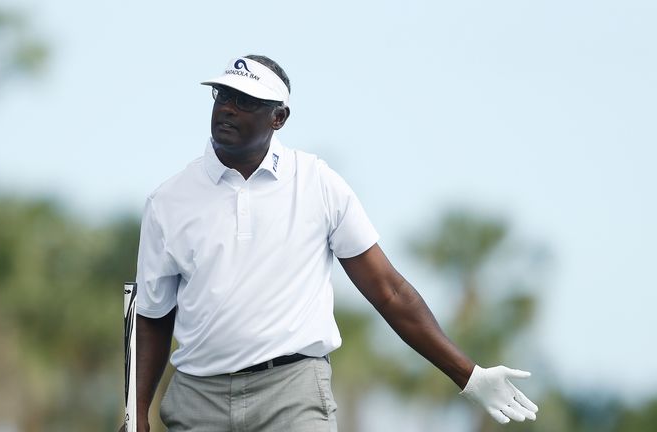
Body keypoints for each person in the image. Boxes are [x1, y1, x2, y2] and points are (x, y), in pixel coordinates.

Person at [134, 54, 538, 432]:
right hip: (198, 399)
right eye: (223, 95)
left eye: (246, 100)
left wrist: (468, 375)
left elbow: (389, 291)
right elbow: (152, 317)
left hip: (292, 391)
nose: (227, 108)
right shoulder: (168, 201)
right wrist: (135, 413)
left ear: (279, 118)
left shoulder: (318, 183)